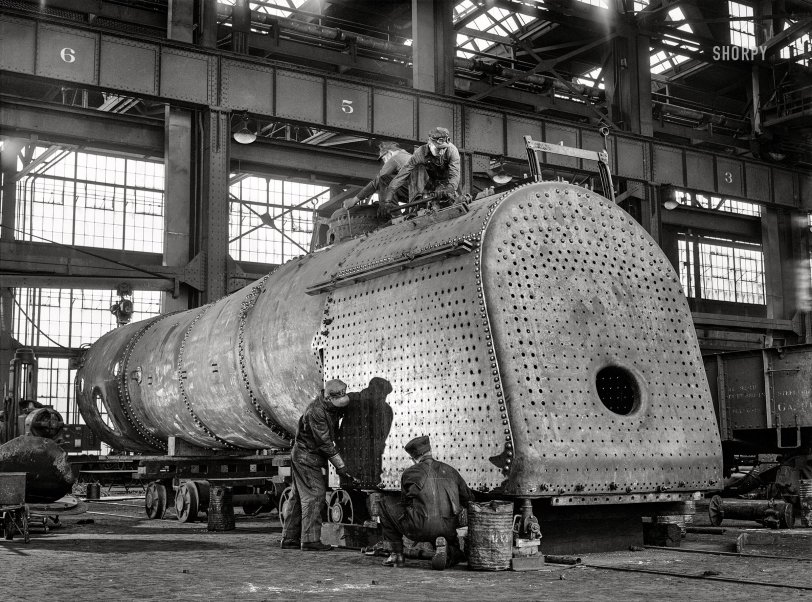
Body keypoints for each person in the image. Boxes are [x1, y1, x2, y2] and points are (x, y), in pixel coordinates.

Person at [281, 379, 360, 551]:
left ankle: (289, 538)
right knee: (315, 495)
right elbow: (325, 443)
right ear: (328, 398)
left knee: (296, 498)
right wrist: (342, 467)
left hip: (304, 455)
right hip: (306, 456)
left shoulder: (329, 406)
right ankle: (310, 540)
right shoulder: (316, 412)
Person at [378, 435, 473, 570]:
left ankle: (396, 555)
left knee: (384, 503)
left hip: (419, 528)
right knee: (454, 548)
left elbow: (405, 503)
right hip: (448, 529)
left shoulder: (409, 473)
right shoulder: (451, 471)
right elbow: (469, 499)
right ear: (430, 452)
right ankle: (449, 551)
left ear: (413, 458)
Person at [381, 127, 461, 216]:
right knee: (416, 169)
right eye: (438, 149)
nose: (441, 152)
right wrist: (389, 197)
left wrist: (449, 188)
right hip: (431, 184)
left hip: (448, 184)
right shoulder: (420, 153)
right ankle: (413, 208)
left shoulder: (452, 150)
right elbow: (403, 174)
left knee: (454, 203)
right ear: (430, 144)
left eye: (444, 149)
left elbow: (455, 174)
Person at [343, 141, 411, 214]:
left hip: (412, 190)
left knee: (384, 179)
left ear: (389, 152)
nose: (384, 162)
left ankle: (392, 215)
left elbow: (376, 182)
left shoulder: (395, 158)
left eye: (384, 158)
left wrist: (354, 200)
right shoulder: (409, 155)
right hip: (417, 192)